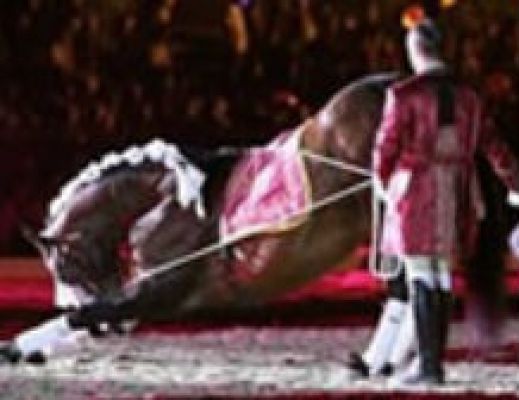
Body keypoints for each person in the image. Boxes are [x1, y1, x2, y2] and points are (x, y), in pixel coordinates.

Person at [371, 18, 519, 385]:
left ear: (414, 49)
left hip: (417, 191)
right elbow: (494, 147)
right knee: (440, 276)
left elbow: (384, 150)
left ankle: (428, 366)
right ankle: (429, 363)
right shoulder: (470, 96)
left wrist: (382, 183)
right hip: (459, 191)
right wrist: (515, 182)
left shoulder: (403, 95)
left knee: (422, 273)